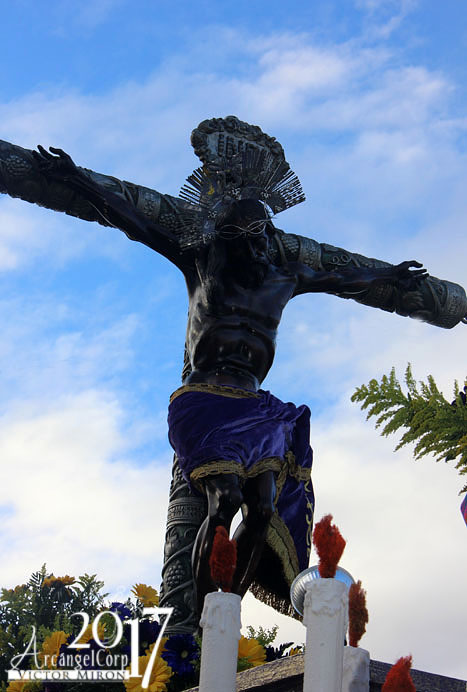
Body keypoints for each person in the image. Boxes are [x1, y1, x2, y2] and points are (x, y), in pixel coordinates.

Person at [28, 145, 428, 617]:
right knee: (226, 499)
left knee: (262, 508)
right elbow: (134, 221)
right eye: (241, 235)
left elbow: (344, 279)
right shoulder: (201, 265)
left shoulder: (286, 278)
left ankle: (226, 611)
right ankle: (202, 611)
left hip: (256, 408)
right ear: (225, 236)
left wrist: (390, 275)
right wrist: (76, 178)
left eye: (259, 234)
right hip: (205, 402)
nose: (253, 246)